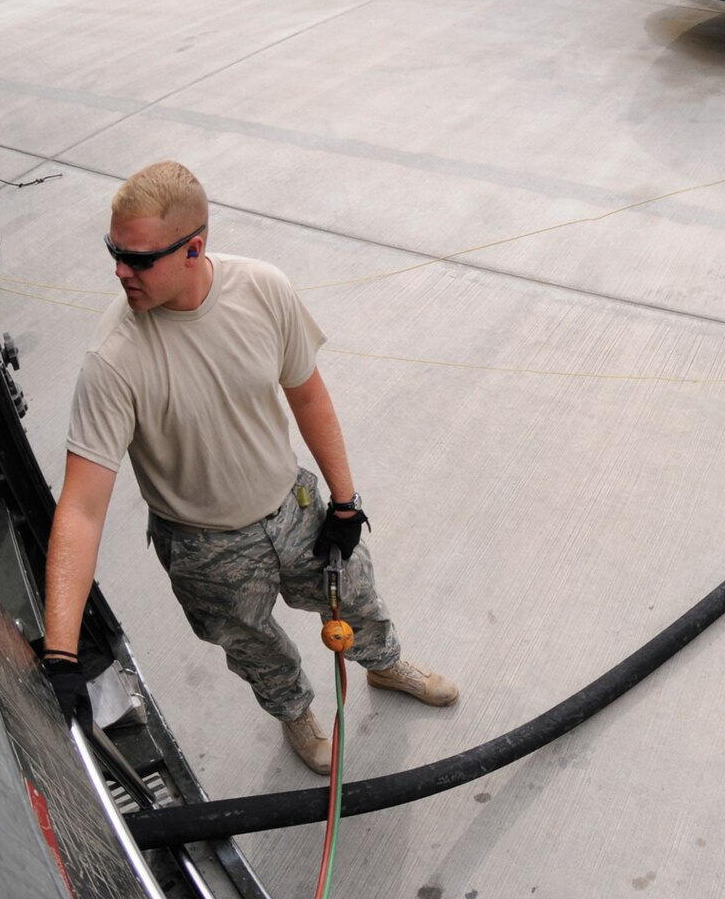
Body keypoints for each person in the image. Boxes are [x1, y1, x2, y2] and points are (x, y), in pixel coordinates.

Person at [39, 160, 454, 775]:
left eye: (138, 258)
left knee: (357, 596)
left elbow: (308, 395)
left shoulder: (262, 290)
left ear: (194, 248)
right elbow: (79, 508)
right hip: (205, 548)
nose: (120, 271)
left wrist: (345, 502)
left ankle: (386, 664)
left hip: (293, 509)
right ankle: (295, 715)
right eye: (113, 252)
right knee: (254, 646)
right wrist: (61, 654)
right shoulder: (114, 360)